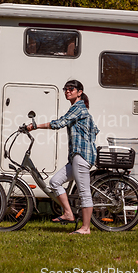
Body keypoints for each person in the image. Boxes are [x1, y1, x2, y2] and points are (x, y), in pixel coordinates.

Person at [27, 79, 99, 235]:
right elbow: (95, 130)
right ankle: (68, 213)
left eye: (71, 89)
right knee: (55, 182)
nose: (67, 91)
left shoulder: (79, 108)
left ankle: (86, 229)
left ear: (79, 92)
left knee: (84, 192)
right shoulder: (79, 109)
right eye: (65, 89)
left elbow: (59, 123)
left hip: (81, 155)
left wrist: (35, 126)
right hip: (76, 157)